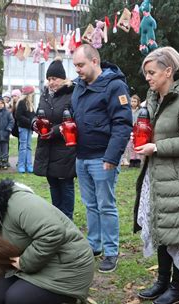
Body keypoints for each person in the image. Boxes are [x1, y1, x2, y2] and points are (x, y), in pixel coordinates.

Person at [133, 47, 179, 304]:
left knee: (176, 232)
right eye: (146, 73)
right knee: (162, 229)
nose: (148, 78)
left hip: (178, 180)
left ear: (168, 71)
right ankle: (162, 281)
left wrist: (158, 147)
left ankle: (177, 288)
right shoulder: (153, 98)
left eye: (151, 72)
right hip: (156, 176)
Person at [71, 44, 132, 273]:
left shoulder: (115, 86)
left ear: (94, 61)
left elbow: (122, 124)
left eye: (80, 65)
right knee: (90, 204)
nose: (77, 70)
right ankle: (93, 244)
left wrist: (112, 156)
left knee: (106, 205)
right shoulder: (79, 86)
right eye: (75, 65)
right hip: (82, 157)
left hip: (103, 158)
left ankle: (111, 251)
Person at [32, 57, 76, 219]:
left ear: (63, 79)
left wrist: (56, 130)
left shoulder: (71, 94)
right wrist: (34, 124)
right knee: (53, 184)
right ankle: (58, 218)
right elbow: (38, 114)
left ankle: (67, 218)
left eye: (55, 79)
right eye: (49, 79)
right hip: (46, 148)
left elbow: (74, 119)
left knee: (65, 184)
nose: (51, 82)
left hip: (64, 147)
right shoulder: (44, 95)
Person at [15, 86, 36, 173]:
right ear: (29, 94)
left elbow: (33, 115)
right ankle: (21, 165)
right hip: (23, 127)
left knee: (29, 147)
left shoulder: (31, 104)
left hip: (29, 128)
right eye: (32, 94)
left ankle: (29, 165)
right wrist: (29, 121)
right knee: (23, 147)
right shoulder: (21, 103)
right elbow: (18, 116)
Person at [0, 95, 15, 169]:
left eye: (1, 103)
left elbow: (11, 121)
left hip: (5, 134)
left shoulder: (7, 112)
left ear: (4, 104)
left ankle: (5, 162)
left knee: (5, 149)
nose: (0, 105)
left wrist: (8, 129)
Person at [123, 94, 142, 168]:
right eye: (132, 101)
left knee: (137, 145)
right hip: (130, 130)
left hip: (138, 130)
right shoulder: (128, 110)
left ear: (138, 102)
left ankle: (138, 160)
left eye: (135, 101)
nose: (133, 103)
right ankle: (132, 160)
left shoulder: (141, 110)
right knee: (130, 146)